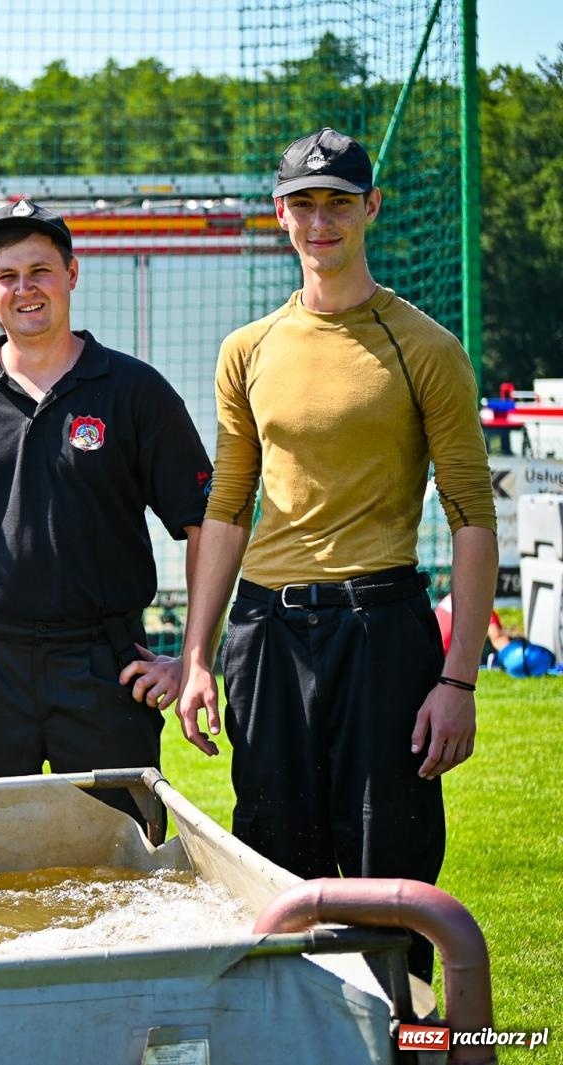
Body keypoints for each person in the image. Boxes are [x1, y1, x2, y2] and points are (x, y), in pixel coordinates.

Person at [175, 128, 498, 979]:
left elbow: (472, 516)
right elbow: (228, 506)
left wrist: (459, 681)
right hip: (266, 637)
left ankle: (399, 1027)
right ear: (280, 215)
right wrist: (197, 656)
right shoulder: (247, 349)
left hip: (379, 632)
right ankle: (291, 1029)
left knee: (387, 863)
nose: (321, 221)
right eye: (305, 204)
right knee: (273, 860)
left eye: (339, 203)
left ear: (371, 208)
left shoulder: (424, 347)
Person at [0, 200, 211, 824]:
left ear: (72, 273)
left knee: (120, 856)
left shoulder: (135, 390)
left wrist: (190, 658)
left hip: (105, 665)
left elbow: (206, 524)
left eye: (40, 270)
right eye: (7, 275)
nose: (25, 288)